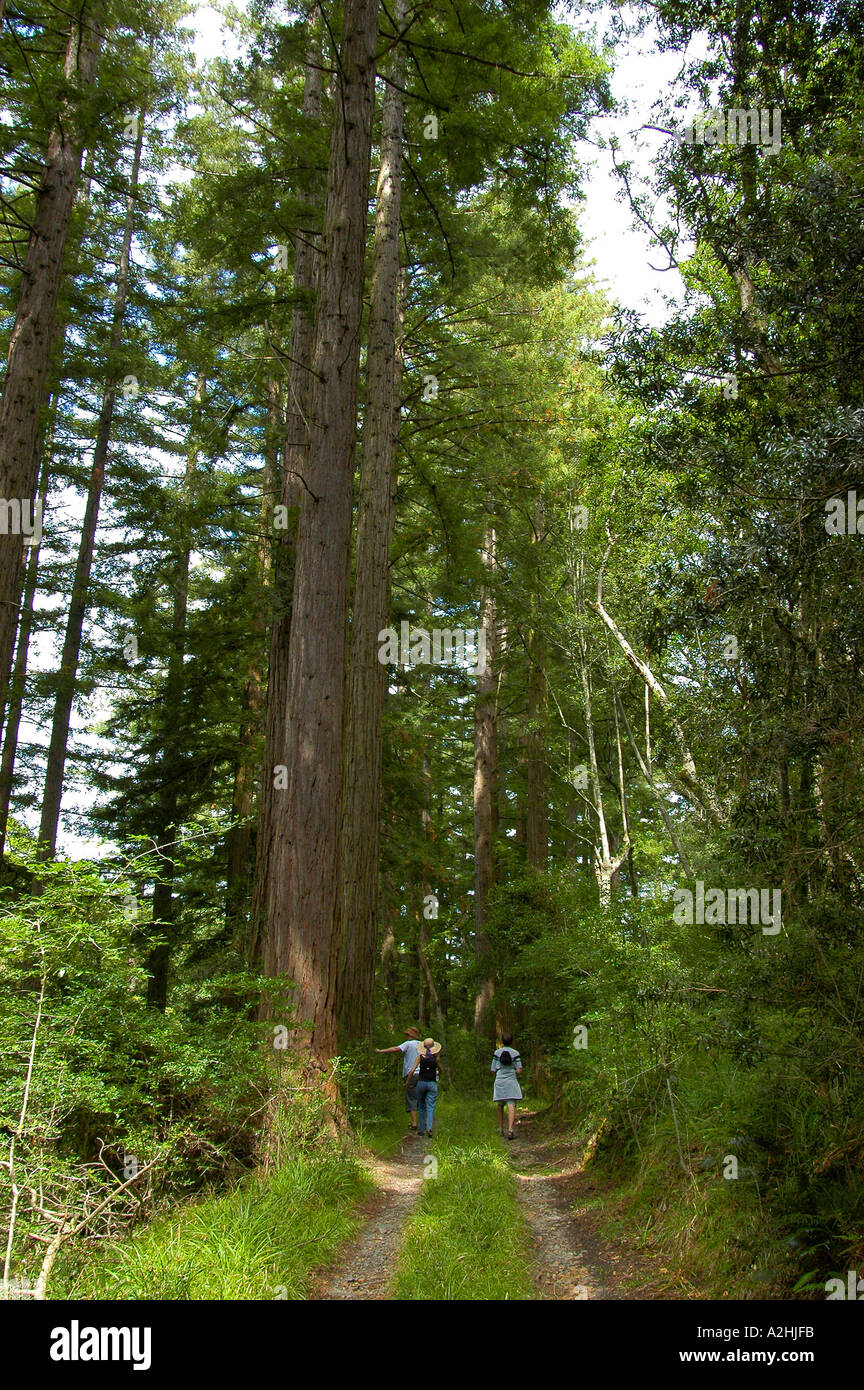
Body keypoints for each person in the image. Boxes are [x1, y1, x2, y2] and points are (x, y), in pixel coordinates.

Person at [375, 1026, 422, 1132]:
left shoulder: (408, 1044)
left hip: (411, 1075)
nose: (406, 1036)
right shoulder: (423, 1044)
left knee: (411, 1098)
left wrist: (381, 1051)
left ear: (410, 1035)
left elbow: (396, 1049)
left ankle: (414, 1123)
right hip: (423, 1075)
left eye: (407, 1035)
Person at [405, 1037, 441, 1137]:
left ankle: (421, 1129)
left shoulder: (420, 1057)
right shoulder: (436, 1059)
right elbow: (440, 1071)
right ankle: (429, 1128)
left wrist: (408, 1082)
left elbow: (412, 1071)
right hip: (432, 1084)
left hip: (421, 1083)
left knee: (421, 1105)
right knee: (430, 1106)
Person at [491, 1033, 522, 1140]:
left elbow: (493, 1069)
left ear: (502, 1041)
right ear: (512, 1041)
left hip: (499, 1080)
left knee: (500, 1104)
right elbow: (519, 1070)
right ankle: (510, 1130)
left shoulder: (496, 1053)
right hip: (511, 1081)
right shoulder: (516, 1053)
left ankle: (500, 1128)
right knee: (511, 1104)